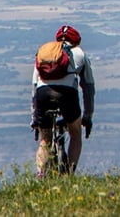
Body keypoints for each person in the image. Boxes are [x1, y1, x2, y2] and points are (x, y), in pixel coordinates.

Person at [31, 24, 96, 177]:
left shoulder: (44, 53)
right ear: (76, 41)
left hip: (43, 94)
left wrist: (34, 118)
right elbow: (88, 88)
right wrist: (87, 116)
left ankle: (41, 174)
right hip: (67, 94)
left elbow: (34, 88)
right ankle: (69, 175)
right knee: (75, 134)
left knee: (45, 140)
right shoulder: (79, 53)